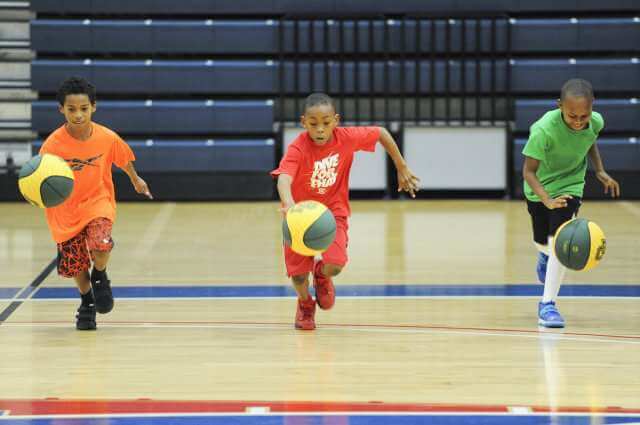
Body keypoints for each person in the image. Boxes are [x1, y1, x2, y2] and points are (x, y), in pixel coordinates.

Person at [271, 93, 420, 330]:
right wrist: (289, 203)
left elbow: (381, 133)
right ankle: (305, 304)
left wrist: (401, 166)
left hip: (333, 213)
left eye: (326, 122)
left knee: (336, 265)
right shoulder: (297, 147)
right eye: (313, 124)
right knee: (298, 276)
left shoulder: (346, 138)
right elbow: (283, 179)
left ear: (336, 120)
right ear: (303, 122)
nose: (320, 129)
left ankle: (321, 274)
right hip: (299, 217)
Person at [39, 76, 153, 330]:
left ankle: (100, 275)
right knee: (76, 262)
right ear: (61, 110)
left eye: (83, 108)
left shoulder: (106, 137)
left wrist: (135, 180)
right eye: (71, 109)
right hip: (65, 209)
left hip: (97, 201)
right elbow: (40, 177)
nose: (78, 114)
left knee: (100, 244)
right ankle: (87, 302)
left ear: (93, 107)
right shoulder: (52, 145)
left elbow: (123, 158)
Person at [522, 78, 620, 328]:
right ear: (559, 107)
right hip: (540, 190)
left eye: (583, 116)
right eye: (571, 116)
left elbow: (589, 140)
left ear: (592, 107)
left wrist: (599, 170)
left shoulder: (594, 122)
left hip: (571, 185)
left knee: (559, 242)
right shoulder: (543, 130)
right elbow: (529, 172)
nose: (578, 122)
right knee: (542, 243)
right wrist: (547, 200)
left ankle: (547, 305)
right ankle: (543, 256)